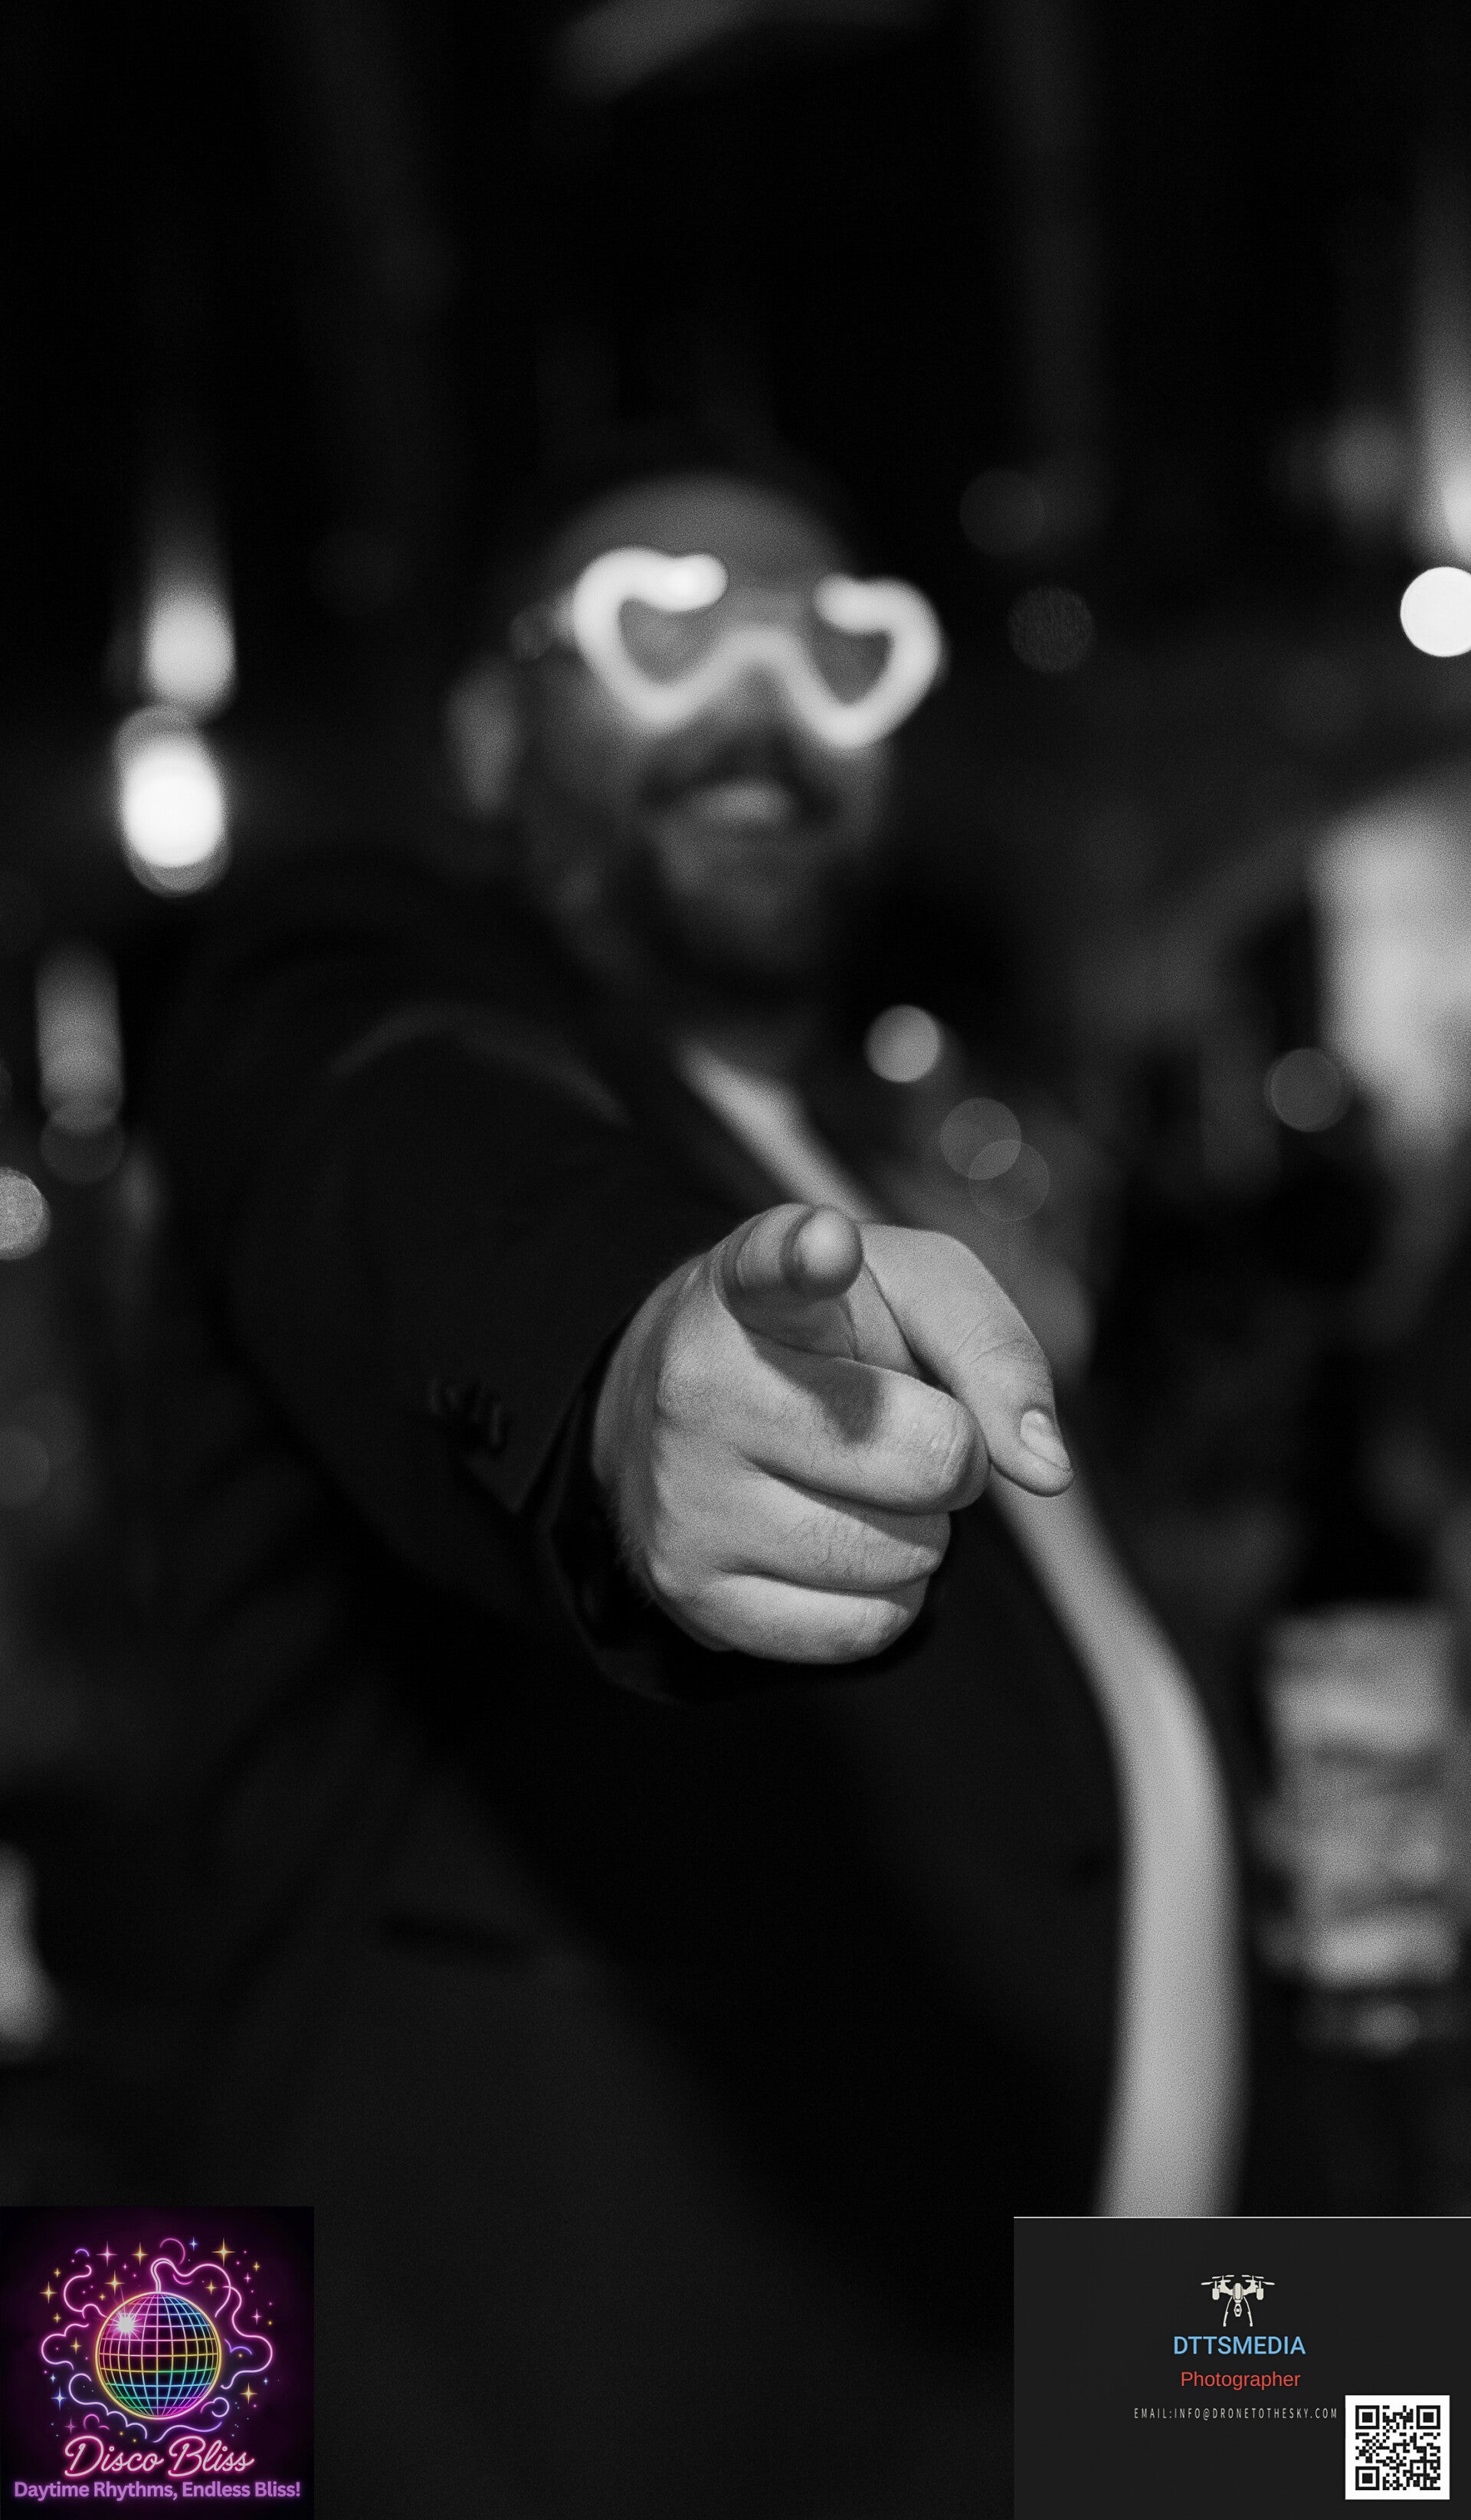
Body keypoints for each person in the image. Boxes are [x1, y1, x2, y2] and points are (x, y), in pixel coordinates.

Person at [31, 449, 1242, 2515]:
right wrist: (616, 1369)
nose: (759, 696)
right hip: (547, 2430)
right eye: (660, 628)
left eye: (840, 650)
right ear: (493, 739)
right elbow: (422, 1159)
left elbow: (1057, 1812)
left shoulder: (888, 1161)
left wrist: (1367, 2404)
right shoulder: (353, 981)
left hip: (1103, 2388)